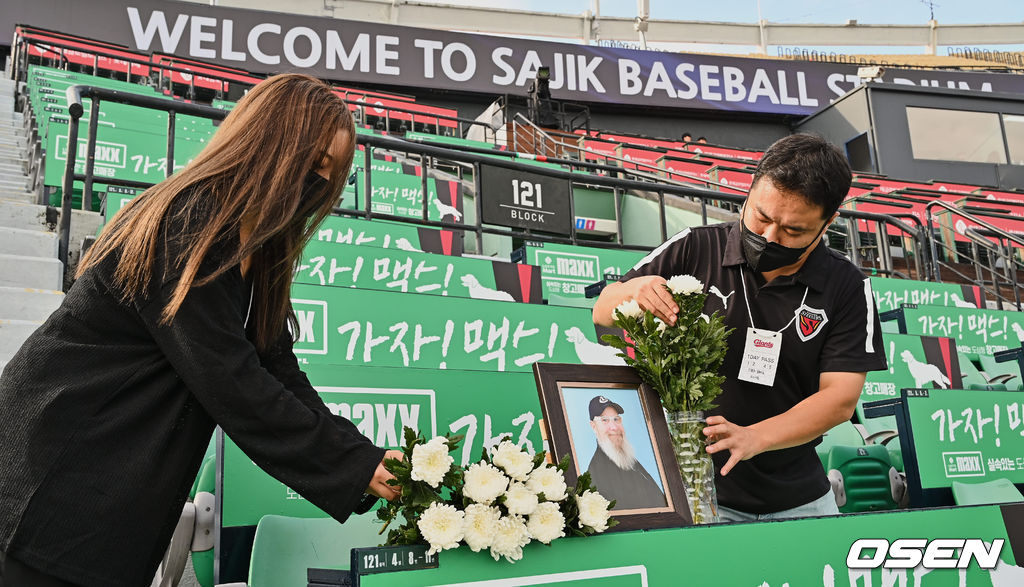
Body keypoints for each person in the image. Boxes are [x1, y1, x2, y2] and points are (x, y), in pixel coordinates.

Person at [0, 74, 402, 587]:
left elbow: (277, 371)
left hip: (112, 488)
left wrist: (365, 457)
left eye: (331, 173)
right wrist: (352, 463)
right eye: (314, 163)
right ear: (272, 143)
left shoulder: (262, 248)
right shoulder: (190, 220)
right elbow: (233, 381)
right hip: (52, 475)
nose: (319, 184)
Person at [593, 134, 886, 522]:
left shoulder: (847, 286)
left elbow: (839, 399)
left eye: (793, 230)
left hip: (800, 500)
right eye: (761, 217)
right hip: (694, 493)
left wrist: (755, 437)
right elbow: (602, 310)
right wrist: (633, 289)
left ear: (828, 221)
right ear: (750, 189)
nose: (769, 237)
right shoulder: (695, 247)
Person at [585, 395, 666, 510]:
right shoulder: (596, 473)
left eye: (616, 419)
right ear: (594, 426)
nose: (614, 427)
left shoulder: (626, 459)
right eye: (604, 420)